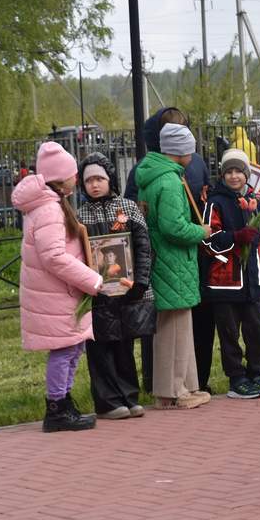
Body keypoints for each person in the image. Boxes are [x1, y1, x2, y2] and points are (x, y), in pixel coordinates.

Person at [11, 141, 104, 432]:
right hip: (57, 293)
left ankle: (63, 402)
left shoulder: (49, 205)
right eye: (73, 174)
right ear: (60, 178)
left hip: (61, 292)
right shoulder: (49, 210)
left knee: (73, 348)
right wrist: (92, 279)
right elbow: (54, 257)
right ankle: (56, 407)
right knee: (65, 350)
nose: (77, 178)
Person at [124, 107, 215, 392]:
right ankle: (172, 390)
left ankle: (183, 385)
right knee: (173, 331)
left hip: (164, 260)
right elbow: (173, 227)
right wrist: (201, 231)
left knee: (176, 328)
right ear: (180, 152)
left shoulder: (151, 175)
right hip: (173, 260)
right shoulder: (169, 181)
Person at [77, 153, 152, 419]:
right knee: (100, 348)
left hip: (127, 289)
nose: (94, 185)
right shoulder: (79, 215)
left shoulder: (128, 208)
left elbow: (143, 245)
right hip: (97, 293)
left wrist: (140, 281)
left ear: (110, 179)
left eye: (99, 178)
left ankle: (129, 397)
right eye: (88, 180)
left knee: (124, 347)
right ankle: (107, 402)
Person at [200, 148, 260, 399]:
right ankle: (236, 378)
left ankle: (256, 374)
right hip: (226, 282)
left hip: (253, 280)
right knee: (229, 333)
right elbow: (208, 240)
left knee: (257, 329)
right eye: (229, 172)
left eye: (238, 171)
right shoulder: (215, 201)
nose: (234, 177)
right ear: (222, 175)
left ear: (247, 174)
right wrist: (235, 238)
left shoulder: (255, 202)